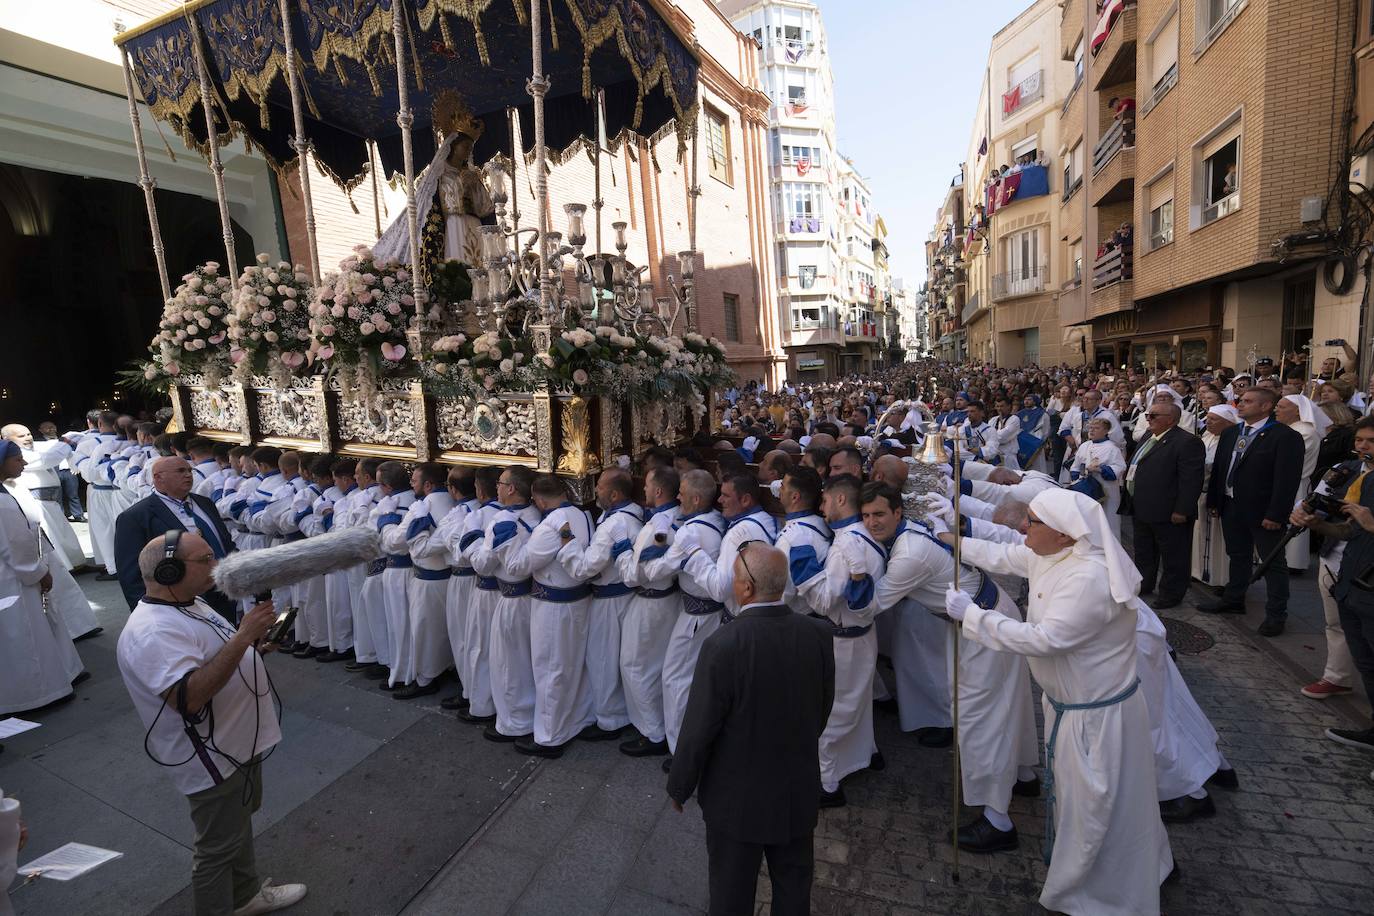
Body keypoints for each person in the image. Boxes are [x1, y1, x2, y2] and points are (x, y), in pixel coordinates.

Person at [946, 489, 1172, 916]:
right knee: (1092, 800)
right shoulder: (1052, 555)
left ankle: (1100, 894)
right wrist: (952, 539)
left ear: (1066, 536)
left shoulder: (1088, 578)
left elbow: (1047, 640)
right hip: (1071, 708)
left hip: (1098, 719)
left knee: (1094, 805)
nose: (1023, 528)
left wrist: (972, 615)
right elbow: (1005, 556)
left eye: (1032, 522)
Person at [116, 531, 306, 916]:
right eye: (205, 560)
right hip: (209, 755)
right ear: (169, 571)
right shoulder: (152, 631)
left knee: (235, 827)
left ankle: (245, 895)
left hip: (235, 742)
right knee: (216, 850)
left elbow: (214, 657)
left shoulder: (192, 603)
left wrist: (255, 647)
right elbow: (189, 697)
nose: (216, 566)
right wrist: (243, 638)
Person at [666, 543, 834, 916]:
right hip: (796, 789)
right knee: (793, 888)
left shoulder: (723, 644)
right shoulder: (817, 634)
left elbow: (698, 728)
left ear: (744, 588)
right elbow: (822, 708)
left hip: (736, 799)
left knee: (730, 893)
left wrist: (680, 785)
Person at [1291, 413, 1374, 753]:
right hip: (1344, 570)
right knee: (1362, 654)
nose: (1364, 447)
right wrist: (1314, 522)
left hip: (1369, 580)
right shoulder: (1353, 474)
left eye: (1371, 441)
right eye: (1360, 440)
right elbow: (1346, 529)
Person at [499, 474, 598, 756]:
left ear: (539, 500)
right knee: (572, 666)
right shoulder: (583, 514)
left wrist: (506, 536)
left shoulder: (550, 526)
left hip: (554, 607)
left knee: (550, 669)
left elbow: (519, 566)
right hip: (578, 600)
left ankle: (550, 736)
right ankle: (576, 719)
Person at [1199, 388, 1305, 636]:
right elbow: (1220, 469)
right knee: (1237, 554)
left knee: (1272, 562)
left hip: (1263, 509)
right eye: (1240, 401)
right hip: (1231, 504)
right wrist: (1215, 500)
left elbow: (1286, 480)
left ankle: (1276, 614)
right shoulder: (1232, 433)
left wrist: (1276, 514)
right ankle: (1234, 599)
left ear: (1266, 406)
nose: (1240, 405)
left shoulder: (1284, 436)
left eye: (1247, 402)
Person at [1, 439, 85, 715]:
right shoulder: (2, 502)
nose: (23, 462)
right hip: (13, 578)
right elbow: (16, 547)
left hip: (12, 576)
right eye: (17, 459)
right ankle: (40, 692)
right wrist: (39, 573)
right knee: (26, 634)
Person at [557, 467, 640, 739]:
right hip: (623, 597)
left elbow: (584, 568)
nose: (596, 492)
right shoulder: (630, 514)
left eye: (601, 487)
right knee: (613, 658)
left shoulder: (615, 524)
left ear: (614, 494)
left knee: (602, 658)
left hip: (610, 601)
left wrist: (567, 541)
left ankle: (609, 720)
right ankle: (615, 713)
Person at [614, 466, 686, 757]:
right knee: (654, 665)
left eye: (646, 486)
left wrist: (621, 550)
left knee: (634, 665)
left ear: (658, 491)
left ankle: (652, 731)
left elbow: (634, 575)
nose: (642, 490)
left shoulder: (658, 523)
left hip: (651, 601)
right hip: (669, 600)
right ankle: (659, 725)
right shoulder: (680, 515)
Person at [114, 456, 236, 619]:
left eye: (189, 470)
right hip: (182, 601)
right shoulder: (135, 517)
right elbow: (131, 575)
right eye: (180, 471)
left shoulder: (204, 503)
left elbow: (224, 543)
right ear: (158, 477)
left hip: (224, 592)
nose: (188, 475)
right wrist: (147, 614)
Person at [1123, 401, 1205, 610]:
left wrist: (1182, 510)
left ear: (1170, 419)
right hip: (1142, 505)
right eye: (1148, 415)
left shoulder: (1187, 442)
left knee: (1173, 555)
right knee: (1144, 550)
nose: (1148, 419)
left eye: (1154, 416)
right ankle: (1145, 583)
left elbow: (1191, 480)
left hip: (1168, 509)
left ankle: (1171, 593)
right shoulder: (1148, 436)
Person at [2, 424, 89, 571]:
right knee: (50, 538)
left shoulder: (36, 448)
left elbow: (52, 446)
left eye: (28, 434)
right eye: (21, 436)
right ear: (6, 439)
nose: (27, 438)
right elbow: (47, 459)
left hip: (51, 500)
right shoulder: (13, 457)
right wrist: (66, 442)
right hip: (34, 501)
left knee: (64, 535)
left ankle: (76, 564)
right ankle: (62, 569)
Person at [1192, 405, 1237, 590]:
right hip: (1201, 493)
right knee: (1199, 533)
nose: (1207, 422)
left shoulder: (1232, 440)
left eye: (1213, 419)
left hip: (1217, 494)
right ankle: (1199, 571)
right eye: (1207, 418)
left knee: (1220, 539)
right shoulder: (1206, 436)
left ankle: (1220, 578)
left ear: (1228, 423)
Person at [1277, 394, 1322, 573]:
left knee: (1293, 520)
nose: (1276, 410)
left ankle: (1292, 562)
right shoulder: (1290, 429)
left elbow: (1288, 461)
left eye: (1281, 407)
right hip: (1285, 481)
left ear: (1297, 410)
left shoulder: (1305, 431)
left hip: (1295, 482)